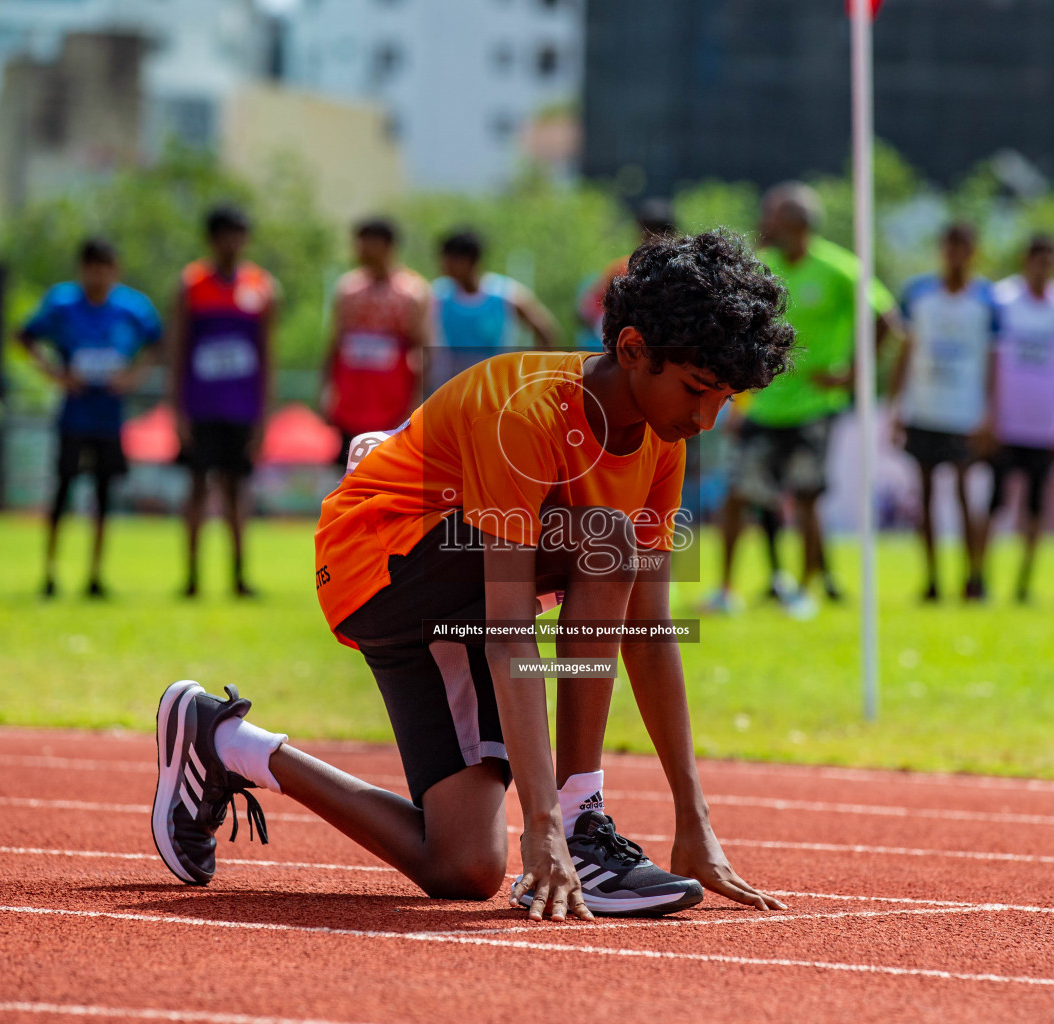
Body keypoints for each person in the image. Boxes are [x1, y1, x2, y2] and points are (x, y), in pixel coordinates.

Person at [151, 231, 794, 922]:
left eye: (724, 399)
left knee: (465, 865)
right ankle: (582, 827)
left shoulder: (662, 442)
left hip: (452, 601)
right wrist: (544, 820)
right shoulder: (526, 409)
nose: (705, 418)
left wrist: (692, 821)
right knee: (605, 541)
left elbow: (648, 630)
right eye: (698, 390)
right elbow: (511, 631)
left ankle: (222, 741)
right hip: (377, 562)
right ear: (633, 348)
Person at [705, 182, 900, 618]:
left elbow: (887, 318)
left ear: (794, 222)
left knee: (807, 497)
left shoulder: (839, 267)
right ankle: (726, 589)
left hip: (814, 405)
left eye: (773, 215)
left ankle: (804, 592)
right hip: (765, 403)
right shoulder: (765, 265)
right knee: (737, 494)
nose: (765, 221)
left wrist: (853, 372)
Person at [17, 238, 162, 599]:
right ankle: (49, 574)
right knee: (62, 494)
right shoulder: (62, 304)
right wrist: (55, 375)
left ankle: (95, 576)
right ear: (81, 269)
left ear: (116, 271)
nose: (98, 275)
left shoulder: (132, 308)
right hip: (74, 416)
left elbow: (158, 342)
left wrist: (133, 377)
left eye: (105, 267)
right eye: (91, 267)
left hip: (109, 418)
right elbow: (24, 336)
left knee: (103, 497)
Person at [170, 205, 278, 599]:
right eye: (224, 234)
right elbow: (177, 348)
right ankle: (192, 578)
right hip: (200, 407)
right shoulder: (191, 284)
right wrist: (177, 409)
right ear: (211, 239)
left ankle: (238, 577)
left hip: (242, 409)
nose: (232, 243)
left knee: (237, 491)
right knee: (197, 488)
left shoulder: (262, 287)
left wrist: (264, 416)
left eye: (238, 234)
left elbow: (268, 355)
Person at [889, 222, 1000, 602]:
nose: (956, 255)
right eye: (950, 247)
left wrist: (990, 414)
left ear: (974, 252)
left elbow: (993, 360)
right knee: (925, 497)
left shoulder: (988, 300)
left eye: (963, 247)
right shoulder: (918, 294)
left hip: (965, 413)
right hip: (924, 409)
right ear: (941, 250)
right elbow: (905, 352)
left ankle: (974, 576)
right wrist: (896, 406)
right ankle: (932, 579)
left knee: (967, 494)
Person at [986, 234, 1054, 603]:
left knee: (1036, 504)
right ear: (1025, 260)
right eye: (1037, 258)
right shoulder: (1002, 300)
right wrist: (988, 413)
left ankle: (1023, 583)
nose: (1042, 266)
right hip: (1004, 422)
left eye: (1050, 259)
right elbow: (991, 358)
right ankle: (982, 579)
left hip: (1045, 425)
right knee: (994, 501)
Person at [321, 217, 430, 468]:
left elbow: (423, 349)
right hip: (351, 400)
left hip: (394, 402)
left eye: (368, 242)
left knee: (388, 473)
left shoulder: (411, 292)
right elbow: (335, 343)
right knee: (349, 473)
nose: (361, 249)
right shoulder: (348, 290)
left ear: (388, 245)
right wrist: (327, 390)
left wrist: (417, 400)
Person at [424, 228, 559, 394]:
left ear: (470, 260)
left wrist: (535, 378)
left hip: (494, 389)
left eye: (450, 259)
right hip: (450, 388)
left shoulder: (505, 294)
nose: (444, 265)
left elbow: (545, 330)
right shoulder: (439, 294)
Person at [575, 197, 677, 350]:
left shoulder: (679, 271)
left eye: (657, 234)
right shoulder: (623, 269)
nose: (651, 241)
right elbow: (586, 309)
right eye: (646, 234)